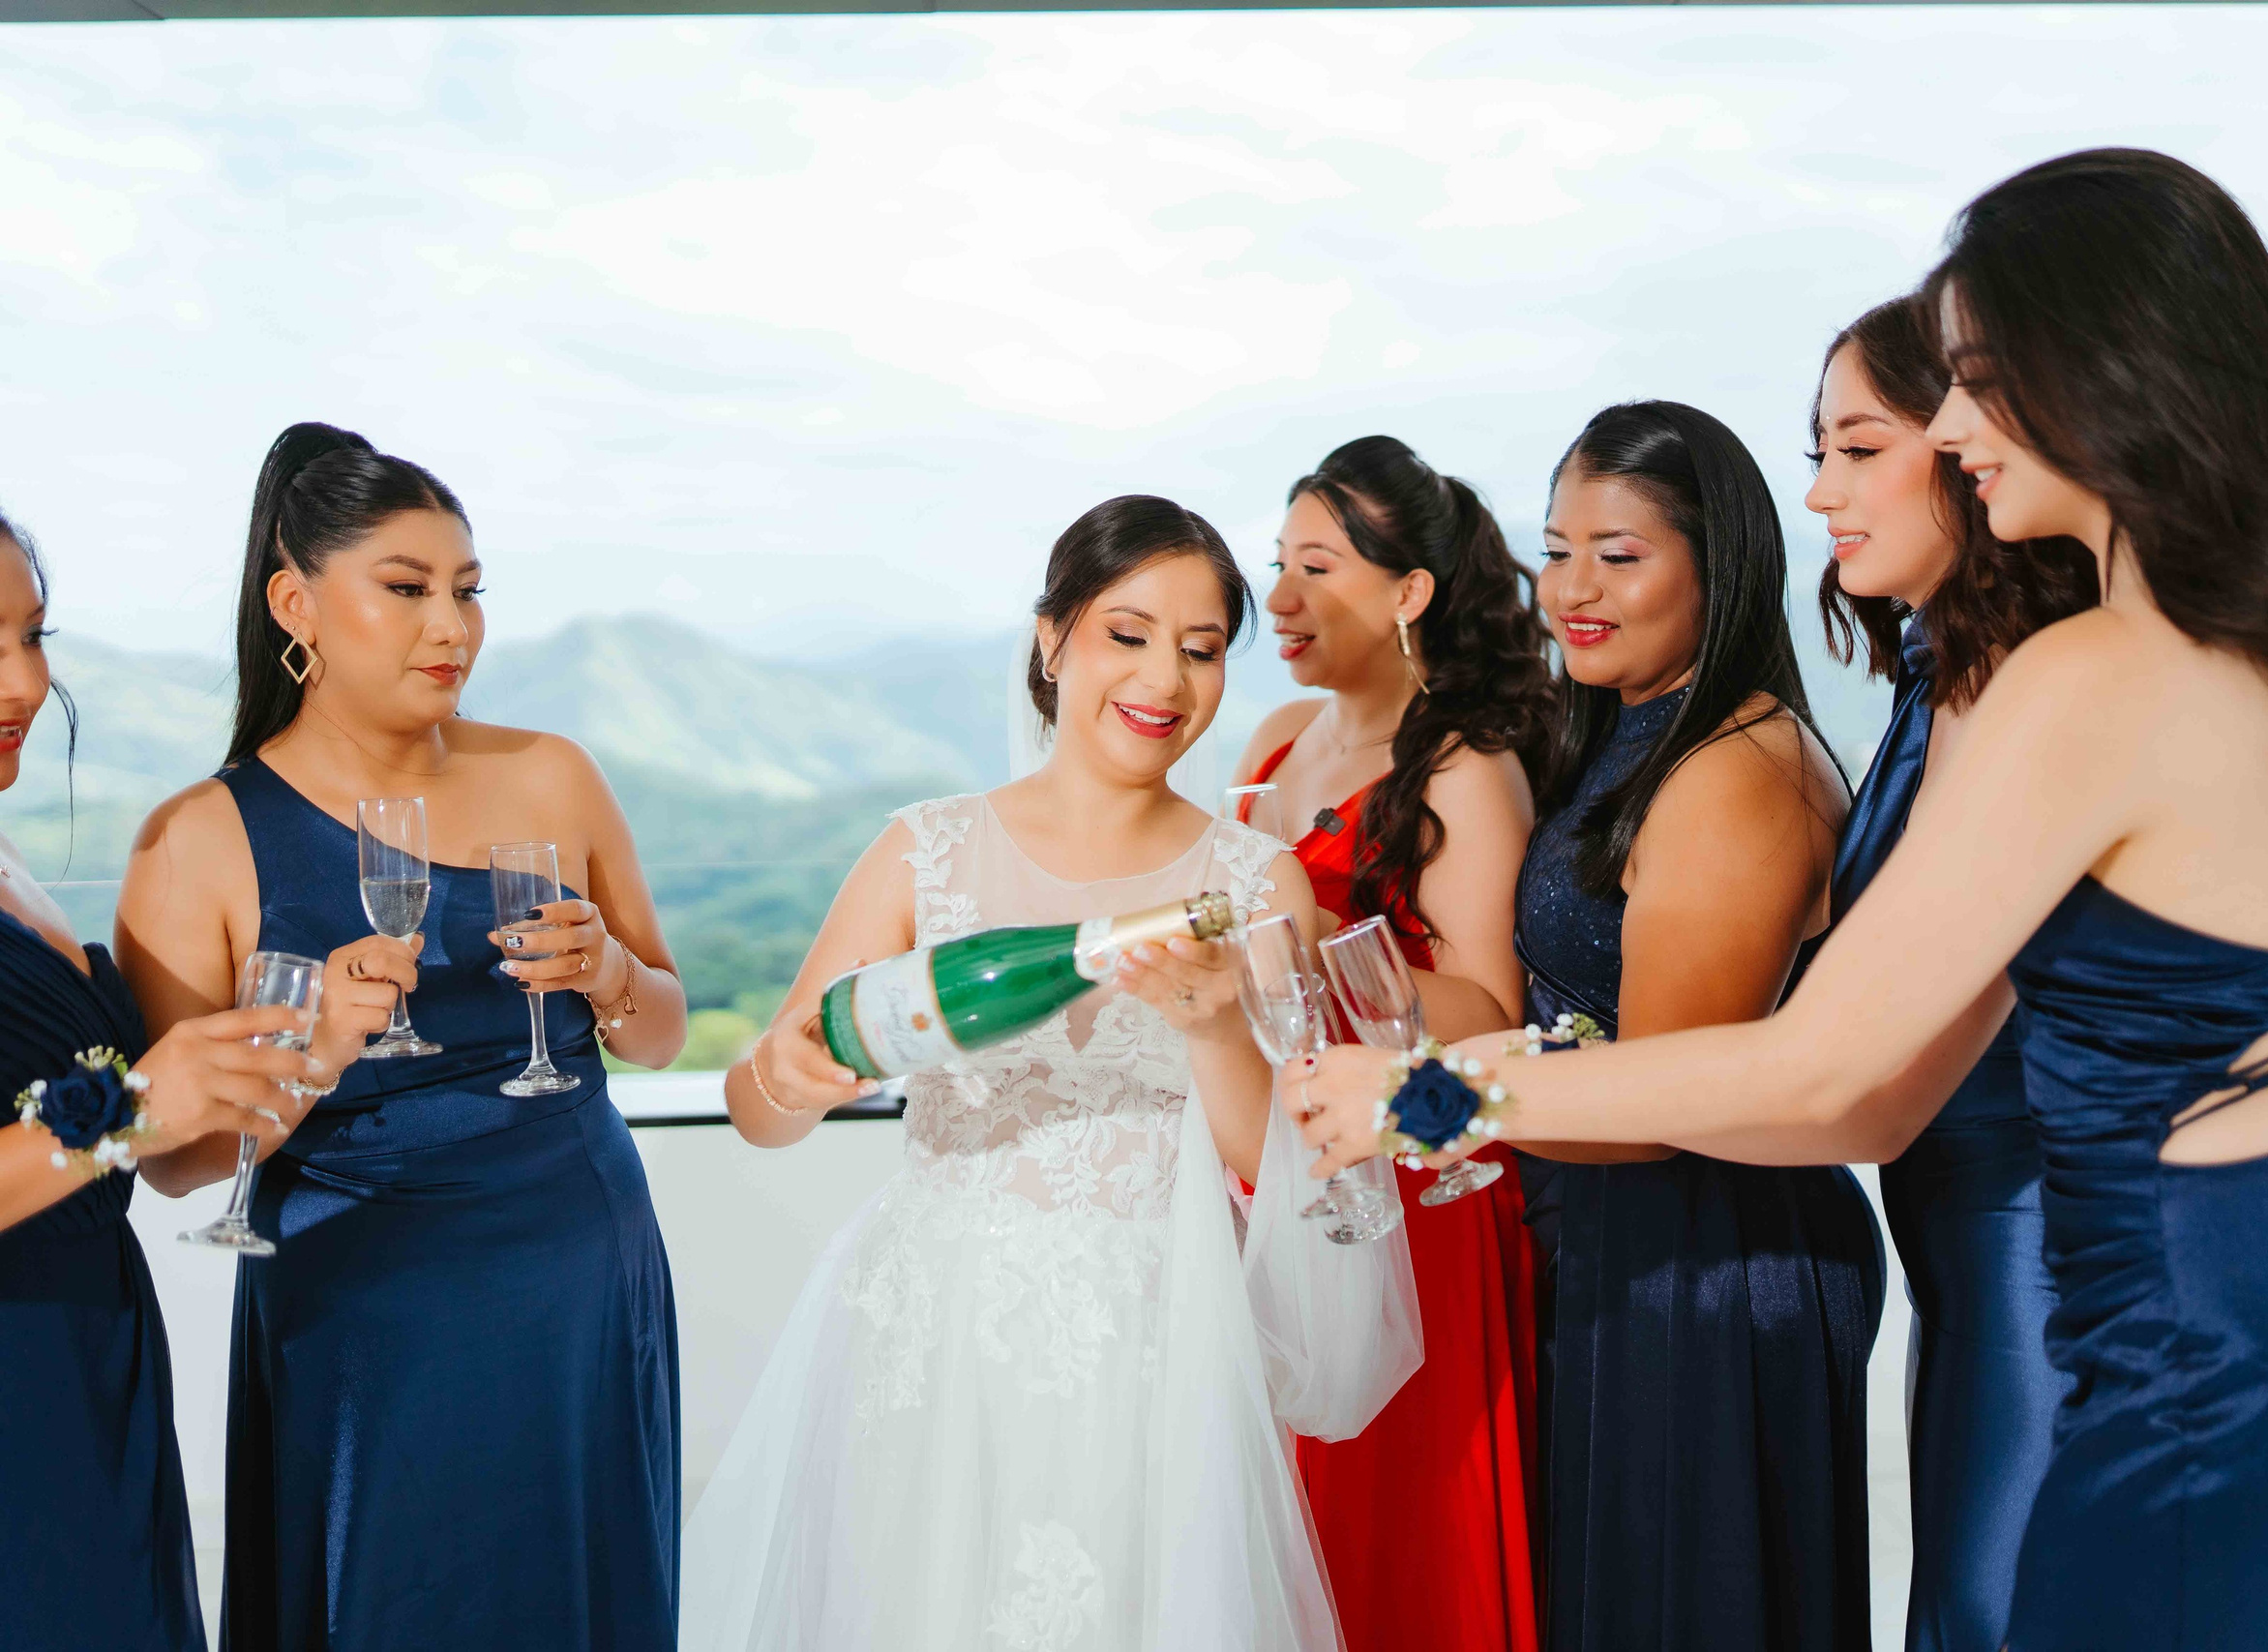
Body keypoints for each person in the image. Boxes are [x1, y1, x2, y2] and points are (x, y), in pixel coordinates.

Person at [1292, 149, 2268, 1650]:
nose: (1957, 423)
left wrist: (1431, 1095)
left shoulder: (2091, 676)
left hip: (2200, 1357)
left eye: (1979, 377)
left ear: (2105, 368)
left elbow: (1826, 1068)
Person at [680, 495, 1418, 1652]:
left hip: (1157, 1343)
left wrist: (1218, 1029)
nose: (1163, 680)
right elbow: (757, 1109)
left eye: (1200, 648)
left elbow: (1279, 1161)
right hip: (937, 1341)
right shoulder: (925, 849)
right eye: (1127, 635)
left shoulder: (1256, 881)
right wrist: (790, 1079)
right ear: (1051, 638)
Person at [121, 422, 690, 1651]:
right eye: (408, 588)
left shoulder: (553, 775)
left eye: (469, 591)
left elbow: (663, 1033)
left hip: (582, 1276)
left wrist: (607, 974)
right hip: (365, 1313)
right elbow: (169, 1162)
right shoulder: (196, 841)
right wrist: (306, 1056)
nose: (455, 627)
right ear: (297, 604)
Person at [1511, 400, 1879, 1650]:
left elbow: (1667, 1098)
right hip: (1610, 1243)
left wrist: (1425, 1096)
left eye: (1618, 554)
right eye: (1556, 548)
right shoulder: (1622, 730)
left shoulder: (1735, 769)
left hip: (1705, 1265)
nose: (1574, 587)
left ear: (1717, 567)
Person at [1803, 293, 2096, 1652]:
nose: (1820, 494)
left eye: (1859, 449)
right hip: (1965, 1287)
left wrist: (1471, 1092)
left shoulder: (2019, 691)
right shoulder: (1934, 685)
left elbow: (1868, 1084)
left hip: (2043, 1288)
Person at [1231, 436, 1555, 1652]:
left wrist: (1316, 939)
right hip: (1293, 1168)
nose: (1280, 601)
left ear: (1407, 590)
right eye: (1277, 566)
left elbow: (1491, 1009)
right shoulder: (1271, 743)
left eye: (1316, 567)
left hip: (1424, 1194)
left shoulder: (1463, 766)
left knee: (1400, 1553)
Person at [0, 510, 338, 1652]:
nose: (21, 685)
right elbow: (116, 1125)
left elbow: (163, 1162)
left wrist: (305, 1054)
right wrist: (127, 1110)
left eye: (32, 635)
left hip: (90, 1375)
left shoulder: (5, 859)